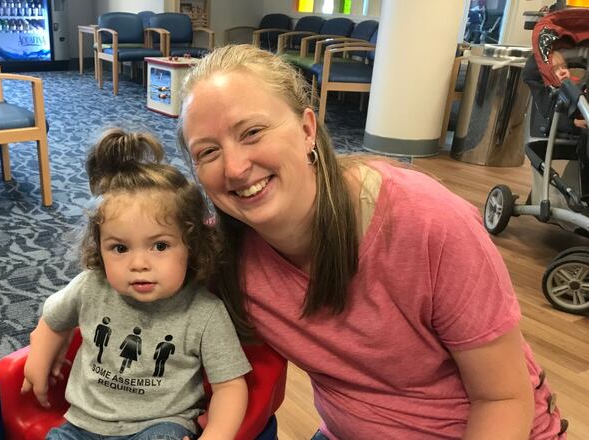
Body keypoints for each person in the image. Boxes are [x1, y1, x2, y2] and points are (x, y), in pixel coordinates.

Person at [177, 44, 567, 440]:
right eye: (208, 152)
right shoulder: (224, 254)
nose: (236, 167)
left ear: (308, 130)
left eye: (252, 132)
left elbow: (502, 400)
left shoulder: (426, 222)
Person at [21, 128, 251, 440]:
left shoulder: (204, 313)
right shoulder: (91, 286)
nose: (139, 263)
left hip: (159, 425)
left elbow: (230, 386)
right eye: (119, 248)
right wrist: (38, 359)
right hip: (82, 426)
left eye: (159, 246)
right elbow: (53, 321)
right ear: (99, 249)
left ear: (191, 245)